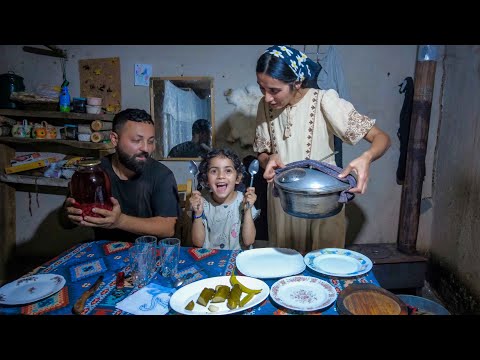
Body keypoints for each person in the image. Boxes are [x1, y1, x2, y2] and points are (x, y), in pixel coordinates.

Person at [253, 45, 391, 253]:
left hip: (323, 199)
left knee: (323, 262)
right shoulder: (264, 106)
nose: (267, 97)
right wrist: (267, 159)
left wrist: (366, 158)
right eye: (262, 88)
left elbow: (382, 138)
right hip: (284, 199)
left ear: (297, 82)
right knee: (285, 265)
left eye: (274, 90)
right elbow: (262, 151)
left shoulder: (324, 100)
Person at [62, 108, 181, 242]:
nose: (146, 149)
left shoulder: (162, 175)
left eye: (150, 141)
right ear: (114, 139)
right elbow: (65, 223)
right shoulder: (93, 173)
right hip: (105, 250)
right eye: (137, 140)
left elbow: (168, 228)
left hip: (150, 252)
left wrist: (119, 221)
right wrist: (70, 214)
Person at [189, 148, 260, 250]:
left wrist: (248, 209)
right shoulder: (202, 203)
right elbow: (198, 243)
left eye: (228, 171)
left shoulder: (243, 201)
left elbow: (249, 241)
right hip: (210, 258)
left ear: (238, 178)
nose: (221, 176)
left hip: (238, 258)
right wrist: (197, 214)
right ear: (206, 179)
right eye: (214, 171)